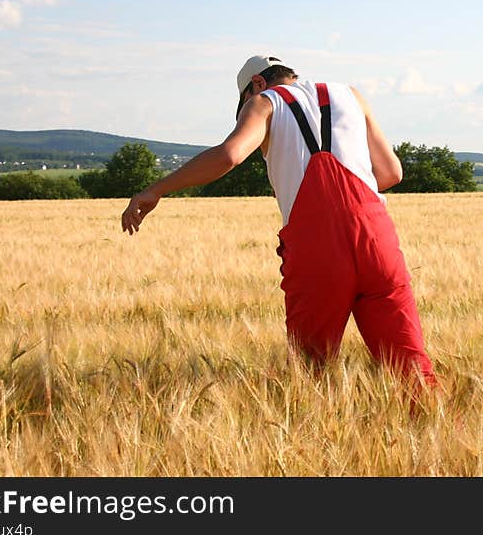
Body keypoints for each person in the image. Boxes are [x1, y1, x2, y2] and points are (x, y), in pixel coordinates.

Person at [121, 55, 437, 389]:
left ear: (256, 84)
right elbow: (391, 173)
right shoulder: (351, 94)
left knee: (311, 374)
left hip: (317, 250)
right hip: (377, 240)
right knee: (410, 368)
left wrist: (155, 190)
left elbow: (230, 154)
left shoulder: (263, 103)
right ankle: (434, 422)